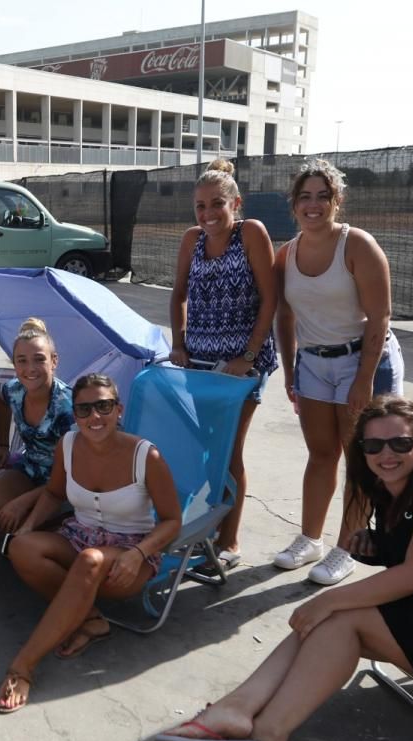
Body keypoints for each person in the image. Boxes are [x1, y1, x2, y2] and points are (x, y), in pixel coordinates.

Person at [154, 397, 413, 741]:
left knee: (339, 616)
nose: (386, 453)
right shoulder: (389, 492)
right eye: (373, 445)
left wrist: (329, 599)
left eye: (400, 443)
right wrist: (377, 548)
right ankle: (236, 711)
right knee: (335, 622)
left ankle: (266, 733)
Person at [0, 374, 181, 713]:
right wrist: (29, 526)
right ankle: (90, 618)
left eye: (104, 406)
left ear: (118, 410)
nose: (95, 417)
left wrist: (139, 553)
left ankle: (23, 665)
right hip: (80, 537)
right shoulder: (67, 445)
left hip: (131, 553)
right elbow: (53, 493)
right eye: (84, 409)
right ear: (75, 414)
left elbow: (172, 521)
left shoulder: (144, 455)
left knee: (91, 560)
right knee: (21, 548)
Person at [272, 158, 405, 585]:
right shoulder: (286, 254)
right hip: (313, 362)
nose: (313, 205)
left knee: (360, 460)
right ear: (293, 205)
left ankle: (347, 546)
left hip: (363, 359)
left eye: (322, 196)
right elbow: (285, 316)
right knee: (321, 453)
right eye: (305, 197)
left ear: (337, 201)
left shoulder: (358, 245)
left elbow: (380, 317)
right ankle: (310, 539)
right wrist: (291, 368)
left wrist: (365, 379)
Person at [169, 159, 277, 570]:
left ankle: (229, 542)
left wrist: (247, 356)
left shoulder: (250, 233)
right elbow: (178, 294)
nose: (208, 214)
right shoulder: (191, 240)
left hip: (241, 368)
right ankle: (205, 531)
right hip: (197, 362)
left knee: (229, 449)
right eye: (200, 206)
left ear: (236, 203)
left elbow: (270, 298)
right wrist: (178, 344)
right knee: (203, 450)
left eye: (217, 204)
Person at [0, 318, 74, 534]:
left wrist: (23, 501)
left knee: (25, 533)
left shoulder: (67, 407)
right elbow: (1, 400)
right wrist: (1, 445)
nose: (30, 369)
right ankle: (35, 527)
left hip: (68, 482)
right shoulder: (13, 390)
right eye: (22, 361)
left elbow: (77, 473)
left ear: (54, 361)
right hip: (30, 468)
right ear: (14, 363)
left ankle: (47, 526)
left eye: (39, 360)